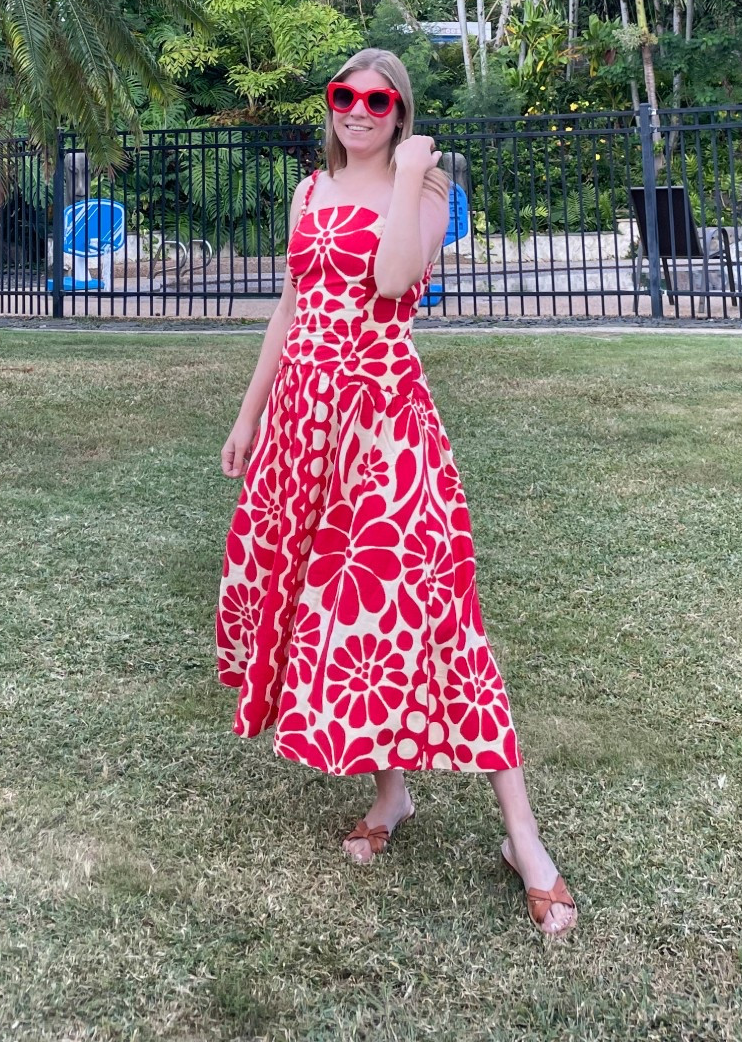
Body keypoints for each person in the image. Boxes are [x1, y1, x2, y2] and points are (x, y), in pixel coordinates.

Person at [216, 48, 576, 939]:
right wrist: (248, 415)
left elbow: (389, 281)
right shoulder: (307, 194)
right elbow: (293, 307)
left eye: (378, 100)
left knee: (433, 608)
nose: (359, 111)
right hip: (304, 421)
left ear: (400, 111)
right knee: (332, 607)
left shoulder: (425, 189)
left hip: (384, 422)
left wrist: (412, 170)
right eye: (345, 95)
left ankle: (524, 842)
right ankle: (393, 796)